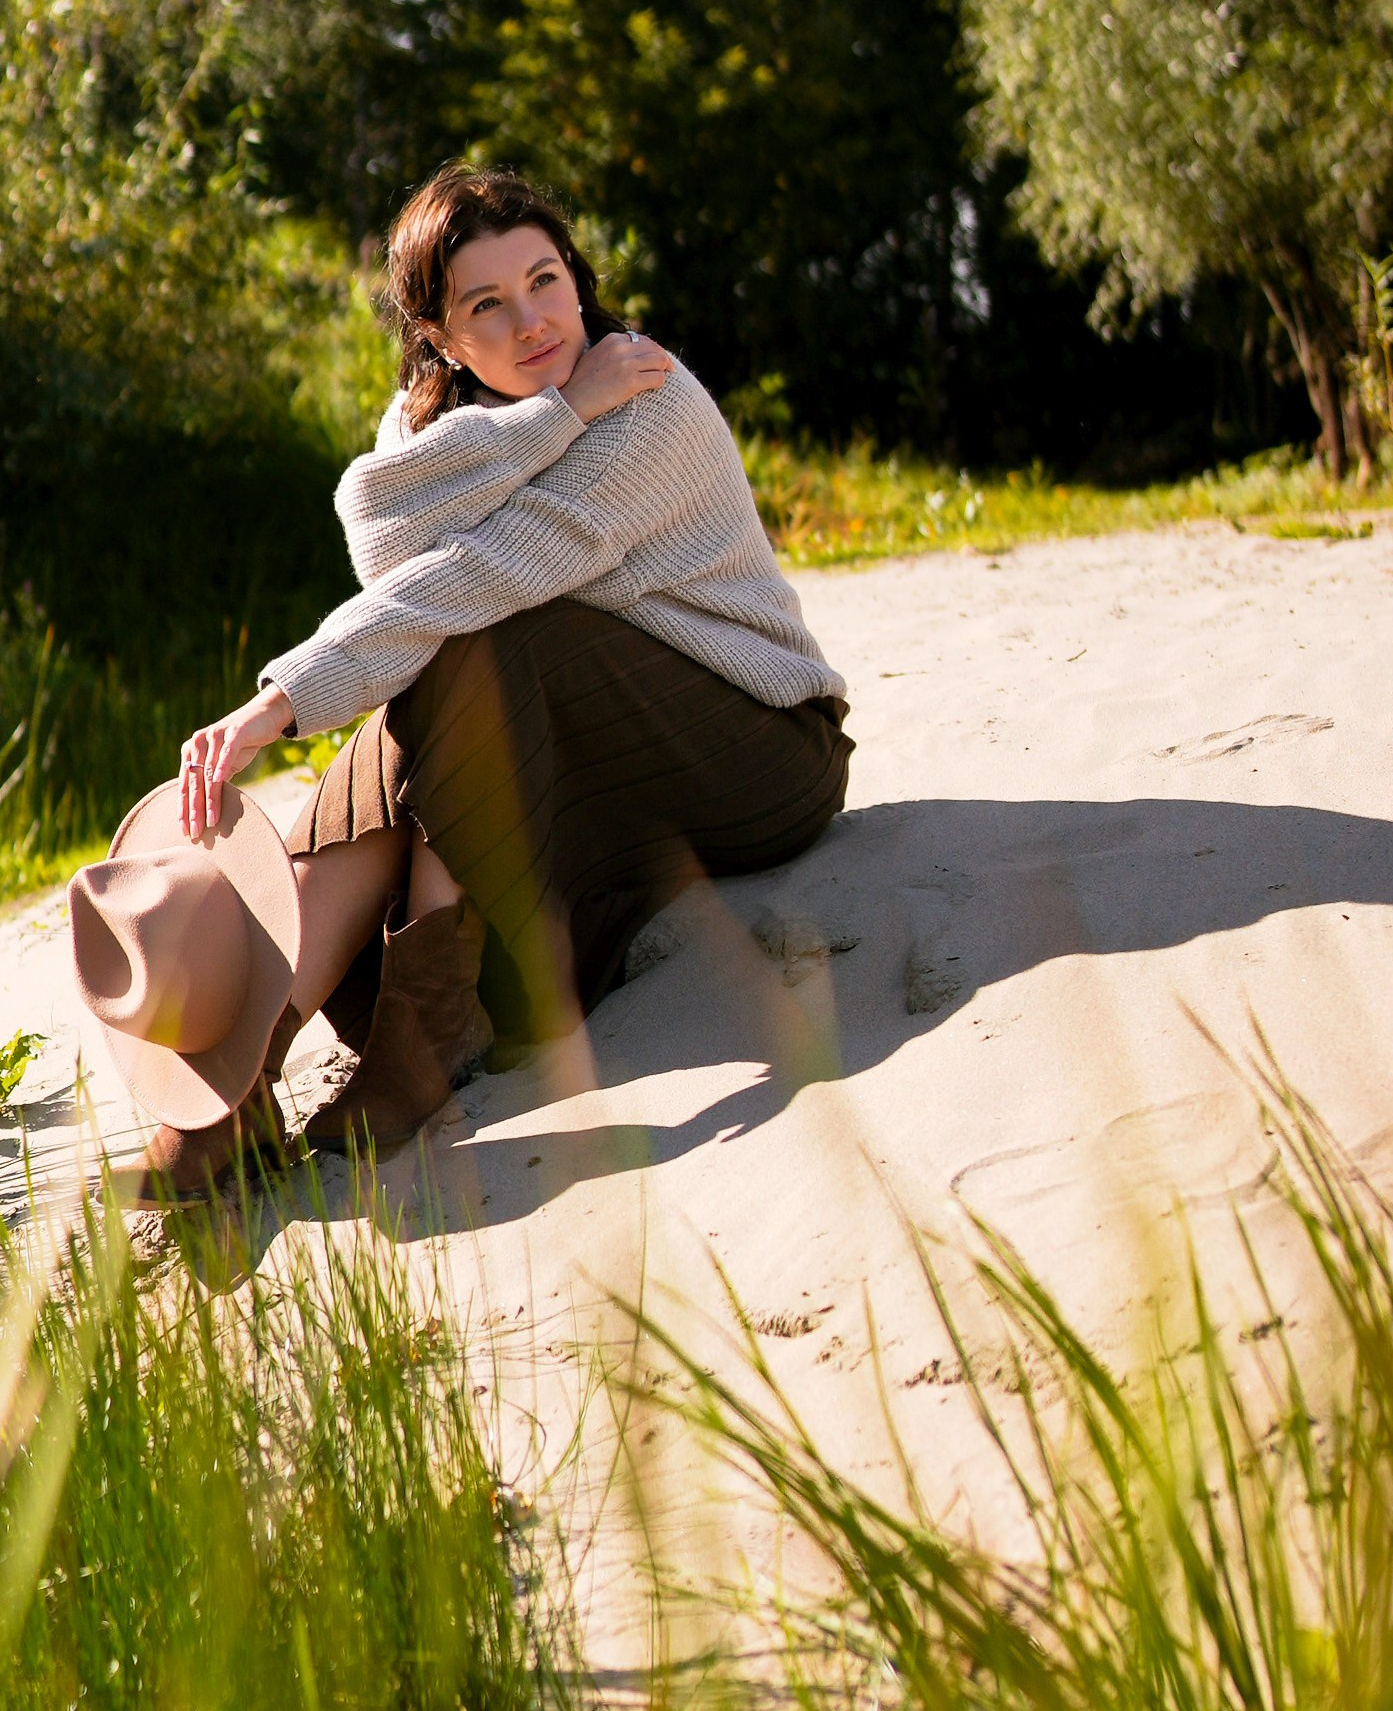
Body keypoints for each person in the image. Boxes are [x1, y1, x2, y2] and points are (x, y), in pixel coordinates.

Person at [68, 162, 851, 1199]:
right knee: (447, 663)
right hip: (585, 782)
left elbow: (478, 576)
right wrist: (556, 413)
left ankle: (415, 1050)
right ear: (438, 336)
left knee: (483, 634)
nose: (534, 322)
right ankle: (243, 1080)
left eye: (545, 280)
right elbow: (381, 537)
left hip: (756, 748)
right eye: (488, 304)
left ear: (575, 276)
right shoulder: (430, 429)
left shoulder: (645, 396)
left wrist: (277, 704)